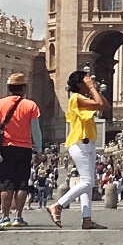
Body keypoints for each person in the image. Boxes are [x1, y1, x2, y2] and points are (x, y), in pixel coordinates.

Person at [47, 68, 107, 229]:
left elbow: (105, 106)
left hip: (87, 144)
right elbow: (100, 104)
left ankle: (87, 219)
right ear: (80, 84)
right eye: (87, 81)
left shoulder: (83, 98)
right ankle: (58, 206)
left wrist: (94, 89)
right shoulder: (76, 98)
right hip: (80, 144)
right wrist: (93, 88)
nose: (90, 83)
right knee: (88, 182)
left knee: (87, 182)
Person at [0, 73, 41, 227]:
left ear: (9, 88)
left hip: (5, 147)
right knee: (22, 183)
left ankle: (5, 217)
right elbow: (36, 130)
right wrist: (38, 150)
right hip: (24, 148)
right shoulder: (30, 105)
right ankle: (18, 217)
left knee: (6, 183)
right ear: (24, 88)